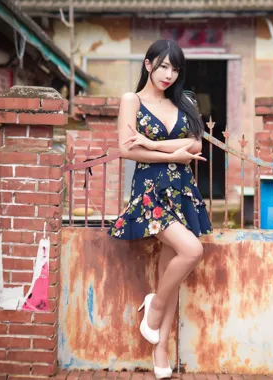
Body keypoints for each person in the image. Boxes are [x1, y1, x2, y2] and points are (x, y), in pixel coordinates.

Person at [107, 39, 212, 379]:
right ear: (148, 64)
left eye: (175, 68)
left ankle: (161, 346)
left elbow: (196, 142)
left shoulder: (185, 100)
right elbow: (126, 150)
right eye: (164, 66)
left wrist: (153, 143)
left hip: (182, 189)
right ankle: (153, 309)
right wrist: (174, 154)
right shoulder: (131, 100)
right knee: (191, 250)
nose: (169, 74)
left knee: (175, 265)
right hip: (151, 191)